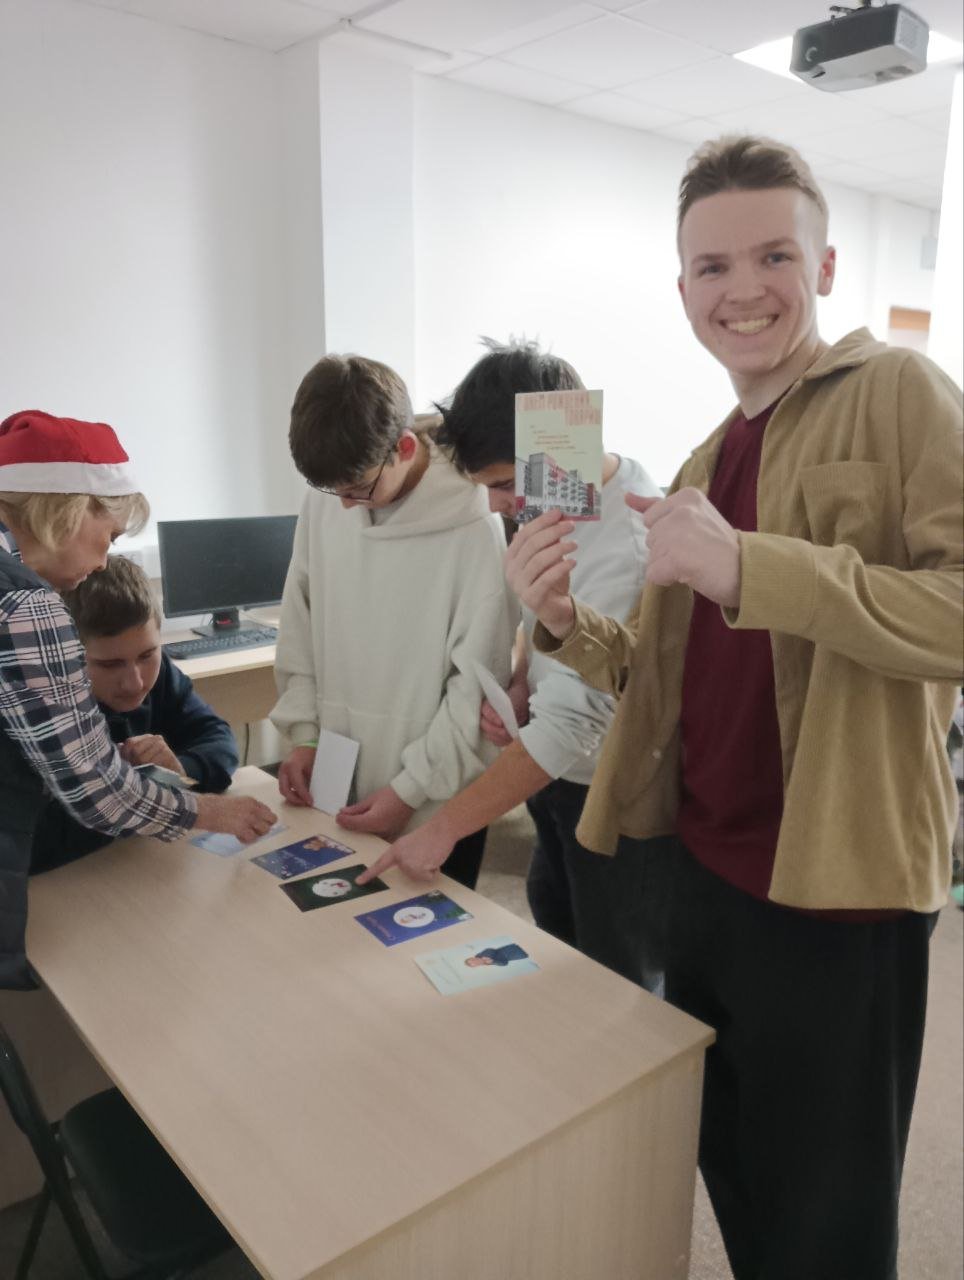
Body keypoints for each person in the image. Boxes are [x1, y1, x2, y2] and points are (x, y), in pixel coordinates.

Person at [504, 136, 963, 1279]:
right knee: (736, 1163)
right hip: (699, 871)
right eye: (712, 266)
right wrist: (560, 620)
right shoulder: (707, 457)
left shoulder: (898, 392)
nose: (741, 288)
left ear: (824, 266)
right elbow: (668, 677)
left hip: (838, 881)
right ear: (682, 291)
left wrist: (753, 564)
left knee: (826, 1211)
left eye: (773, 255)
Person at [358, 340, 664, 986]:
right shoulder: (552, 502)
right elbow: (547, 627)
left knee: (617, 977)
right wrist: (524, 686)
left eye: (501, 484)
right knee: (555, 926)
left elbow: (574, 722)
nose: (496, 504)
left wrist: (443, 828)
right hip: (558, 780)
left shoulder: (626, 542)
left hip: (616, 793)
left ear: (562, 448)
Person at [0, 410, 277, 990]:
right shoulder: (27, 605)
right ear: (73, 511)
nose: (104, 559)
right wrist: (211, 812)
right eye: (110, 536)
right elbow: (95, 790)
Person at [270, 354, 517, 889]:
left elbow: (475, 687)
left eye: (358, 490)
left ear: (405, 448)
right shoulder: (332, 496)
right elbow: (299, 621)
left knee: (424, 929)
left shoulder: (474, 525)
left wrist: (409, 791)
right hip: (336, 773)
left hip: (434, 795)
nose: (344, 508)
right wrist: (304, 736)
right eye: (332, 492)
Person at [31, 554, 239, 872]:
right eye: (109, 664)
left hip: (138, 864)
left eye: (147, 655)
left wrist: (179, 769)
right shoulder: (39, 706)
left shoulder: (161, 672)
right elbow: (34, 840)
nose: (135, 682)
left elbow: (219, 740)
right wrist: (135, 793)